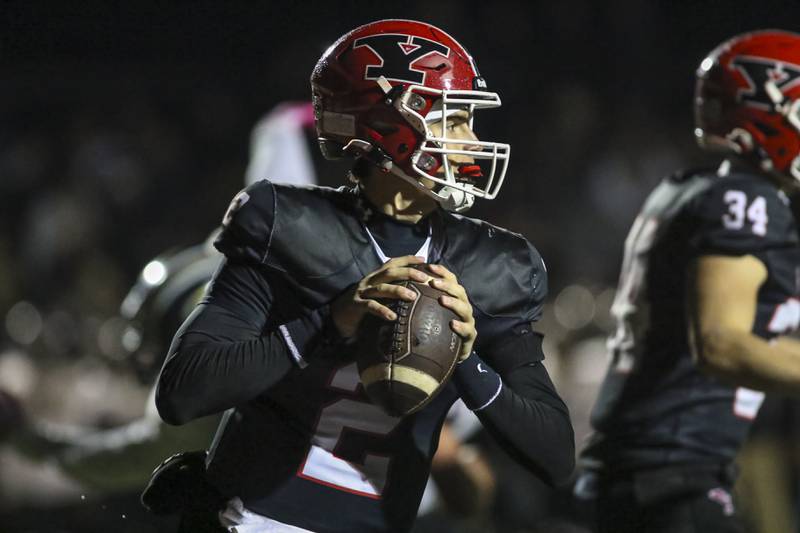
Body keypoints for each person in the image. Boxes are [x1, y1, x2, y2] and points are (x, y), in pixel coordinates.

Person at [155, 19, 574, 533]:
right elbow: (181, 393)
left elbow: (555, 456)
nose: (470, 140)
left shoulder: (495, 265)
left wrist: (465, 359)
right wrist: (330, 322)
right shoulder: (285, 226)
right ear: (390, 125)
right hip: (249, 520)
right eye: (454, 120)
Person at [575, 30, 800, 532]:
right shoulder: (748, 201)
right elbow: (722, 344)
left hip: (644, 472)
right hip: (667, 477)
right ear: (764, 111)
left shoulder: (696, 190)